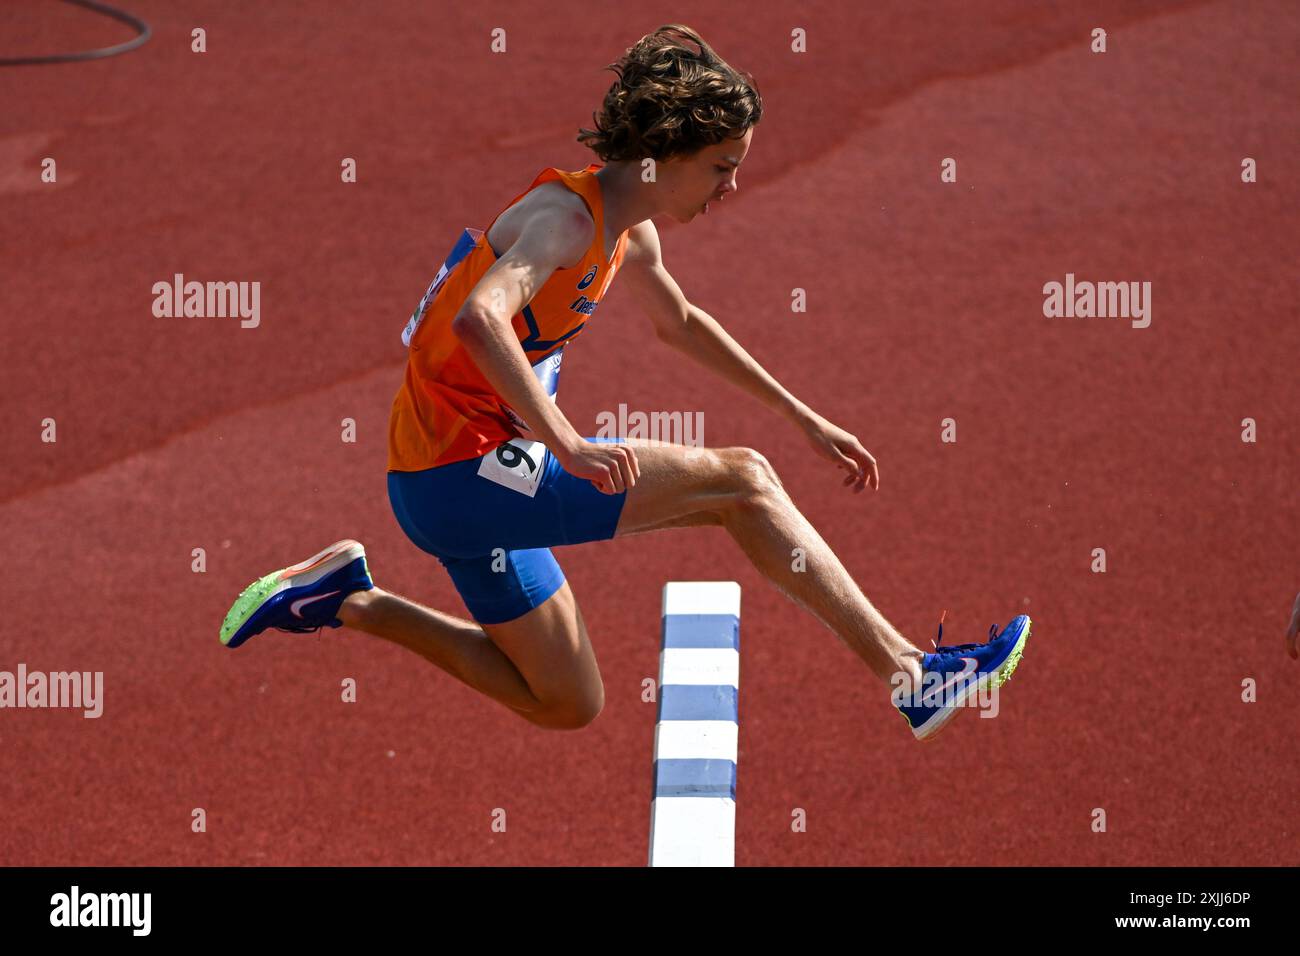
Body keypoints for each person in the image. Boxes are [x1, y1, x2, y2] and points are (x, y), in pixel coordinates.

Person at [218, 24, 1029, 741]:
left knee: (566, 701)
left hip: (465, 482)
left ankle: (346, 599)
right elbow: (479, 318)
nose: (731, 187)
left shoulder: (629, 233)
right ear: (667, 153)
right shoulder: (565, 221)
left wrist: (805, 416)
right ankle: (910, 674)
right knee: (742, 483)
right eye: (721, 167)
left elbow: (680, 323)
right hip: (455, 472)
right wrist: (567, 443)